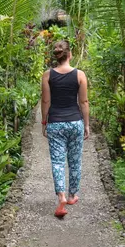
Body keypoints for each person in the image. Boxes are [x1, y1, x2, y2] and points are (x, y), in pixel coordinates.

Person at [41, 40, 89, 218]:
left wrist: (44, 122)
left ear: (57, 56)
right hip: (75, 122)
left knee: (58, 162)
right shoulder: (80, 75)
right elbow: (83, 102)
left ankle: (60, 196)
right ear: (70, 55)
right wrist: (86, 124)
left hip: (55, 123)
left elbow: (45, 101)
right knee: (75, 161)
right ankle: (72, 195)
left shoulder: (47, 75)